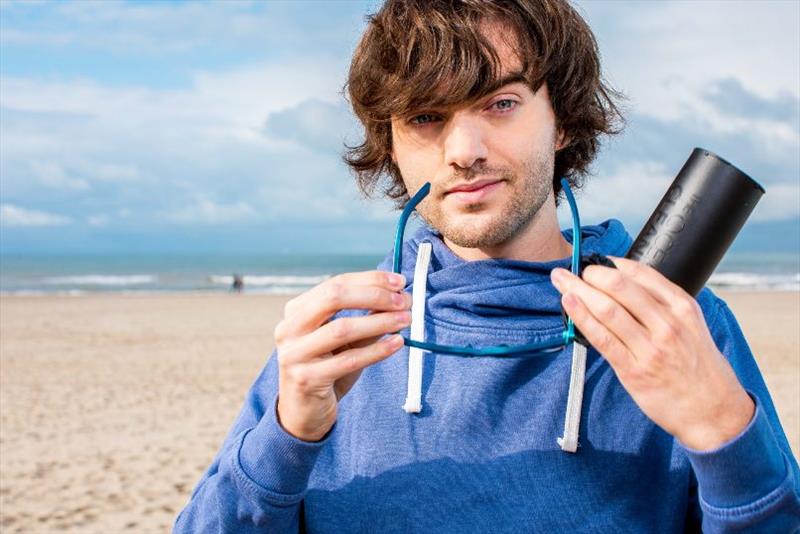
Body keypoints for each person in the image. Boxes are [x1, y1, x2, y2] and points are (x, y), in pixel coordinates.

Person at [175, 1, 800, 531]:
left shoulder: (672, 324)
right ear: (389, 144)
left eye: (500, 103)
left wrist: (725, 429)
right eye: (425, 118)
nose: (464, 153)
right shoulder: (342, 334)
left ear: (561, 120)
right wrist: (286, 437)